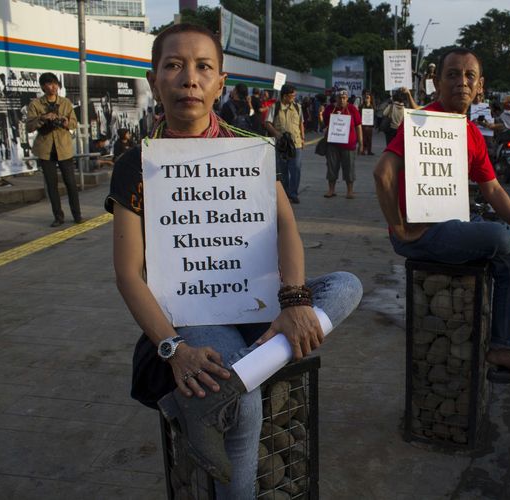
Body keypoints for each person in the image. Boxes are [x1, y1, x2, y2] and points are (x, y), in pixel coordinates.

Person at [106, 24, 361, 499]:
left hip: (261, 303)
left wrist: (294, 301)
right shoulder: (136, 164)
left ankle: (226, 386)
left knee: (347, 285)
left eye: (204, 67)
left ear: (220, 82)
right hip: (195, 314)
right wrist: (174, 350)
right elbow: (127, 273)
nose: (189, 79)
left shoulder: (250, 148)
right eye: (174, 65)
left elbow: (286, 226)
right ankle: (239, 383)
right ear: (153, 78)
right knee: (243, 408)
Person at [373, 47, 510, 385]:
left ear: (480, 85)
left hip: (452, 227)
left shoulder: (471, 133)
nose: (462, 82)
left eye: (469, 75)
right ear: (437, 81)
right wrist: (398, 227)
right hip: (421, 234)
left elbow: (495, 190)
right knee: (501, 237)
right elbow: (383, 173)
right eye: (453, 74)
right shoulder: (421, 121)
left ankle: (503, 350)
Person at [26, 72, 82, 227]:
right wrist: (43, 118)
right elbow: (29, 126)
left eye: (55, 83)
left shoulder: (65, 103)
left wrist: (65, 122)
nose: (54, 87)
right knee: (52, 185)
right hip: (45, 149)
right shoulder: (36, 104)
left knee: (71, 183)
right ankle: (58, 217)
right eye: (50, 84)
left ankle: (77, 215)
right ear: (43, 87)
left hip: (64, 148)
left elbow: (74, 123)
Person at [265, 83, 305, 203]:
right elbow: (267, 123)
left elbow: (301, 123)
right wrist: (276, 134)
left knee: (296, 169)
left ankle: (293, 193)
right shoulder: (274, 107)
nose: (294, 98)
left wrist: (303, 138)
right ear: (285, 96)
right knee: (282, 169)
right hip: (281, 144)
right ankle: (285, 194)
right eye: (292, 96)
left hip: (296, 144)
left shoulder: (298, 107)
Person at [322, 89, 363, 199]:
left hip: (349, 145)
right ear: (336, 98)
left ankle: (349, 191)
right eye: (339, 98)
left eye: (344, 98)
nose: (342, 100)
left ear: (347, 98)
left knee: (349, 168)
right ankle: (331, 190)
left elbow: (358, 126)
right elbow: (325, 123)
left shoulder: (352, 109)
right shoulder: (330, 109)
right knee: (331, 167)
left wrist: (361, 143)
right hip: (332, 144)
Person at [359, 90, 375, 155]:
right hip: (363, 123)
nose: (367, 99)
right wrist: (364, 103)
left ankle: (369, 151)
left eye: (368, 97)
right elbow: (360, 112)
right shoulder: (362, 105)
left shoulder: (372, 105)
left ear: (370, 99)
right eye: (366, 97)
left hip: (370, 124)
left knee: (369, 138)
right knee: (364, 138)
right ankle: (363, 150)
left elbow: (374, 113)